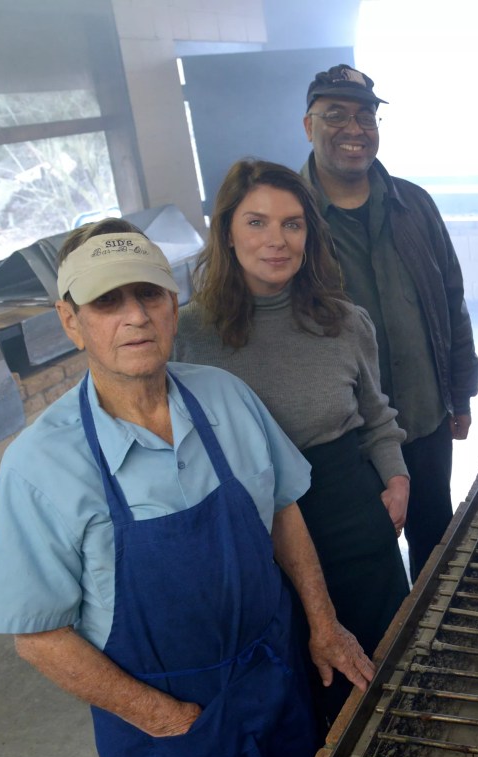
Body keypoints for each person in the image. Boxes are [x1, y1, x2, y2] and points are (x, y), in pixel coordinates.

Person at [0, 219, 375, 757]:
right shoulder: (41, 466)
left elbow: (283, 512)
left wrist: (323, 625)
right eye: (108, 301)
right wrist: (172, 721)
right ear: (70, 321)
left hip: (274, 683)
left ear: (172, 303)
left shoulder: (225, 396)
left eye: (149, 295)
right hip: (169, 734)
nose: (135, 316)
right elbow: (39, 638)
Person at [174, 159, 411, 725]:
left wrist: (398, 477)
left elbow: (377, 416)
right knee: (297, 691)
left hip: (350, 511)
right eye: (256, 223)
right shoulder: (186, 335)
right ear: (227, 233)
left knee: (385, 672)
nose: (276, 240)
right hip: (251, 526)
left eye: (293, 224)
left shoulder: (346, 322)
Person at [300, 63, 478, 581]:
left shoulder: (413, 205)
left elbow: (451, 300)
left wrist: (460, 393)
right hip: (344, 435)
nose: (354, 129)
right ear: (308, 125)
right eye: (335, 115)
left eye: (366, 117)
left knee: (435, 537)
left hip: (423, 417)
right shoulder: (290, 217)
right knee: (363, 555)